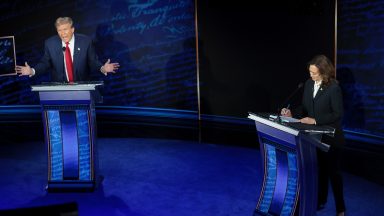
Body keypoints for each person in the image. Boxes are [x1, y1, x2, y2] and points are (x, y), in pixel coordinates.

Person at [281, 54, 346, 216]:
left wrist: (315, 120)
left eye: (314, 73)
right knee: (319, 171)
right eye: (310, 72)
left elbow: (337, 114)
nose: (311, 75)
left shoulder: (334, 88)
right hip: (313, 137)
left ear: (324, 72)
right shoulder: (309, 84)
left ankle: (341, 208)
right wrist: (291, 113)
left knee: (333, 173)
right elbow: (305, 109)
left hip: (331, 138)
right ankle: (320, 201)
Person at [15, 17, 119, 81]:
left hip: (82, 88)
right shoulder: (50, 43)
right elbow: (45, 63)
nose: (62, 33)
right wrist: (32, 71)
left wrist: (102, 68)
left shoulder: (85, 41)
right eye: (59, 30)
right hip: (59, 89)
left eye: (65, 29)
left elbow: (92, 62)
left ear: (72, 29)